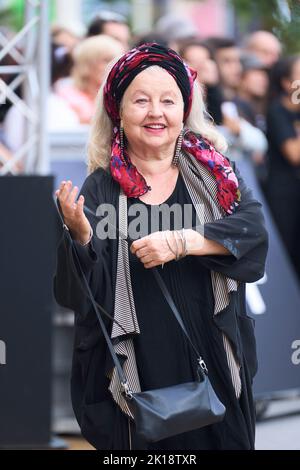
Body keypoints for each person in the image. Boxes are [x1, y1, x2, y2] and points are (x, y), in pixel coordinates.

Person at [54, 43, 268, 450]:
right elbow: (76, 296)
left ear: (184, 108)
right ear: (118, 111)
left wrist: (182, 241)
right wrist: (81, 237)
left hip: (214, 354)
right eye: (141, 100)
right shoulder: (101, 188)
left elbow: (253, 234)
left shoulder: (215, 174)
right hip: (141, 366)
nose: (156, 112)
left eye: (168, 100)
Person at [264, 55, 300, 281]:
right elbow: (294, 154)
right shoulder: (277, 110)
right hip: (284, 195)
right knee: (286, 254)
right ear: (287, 83)